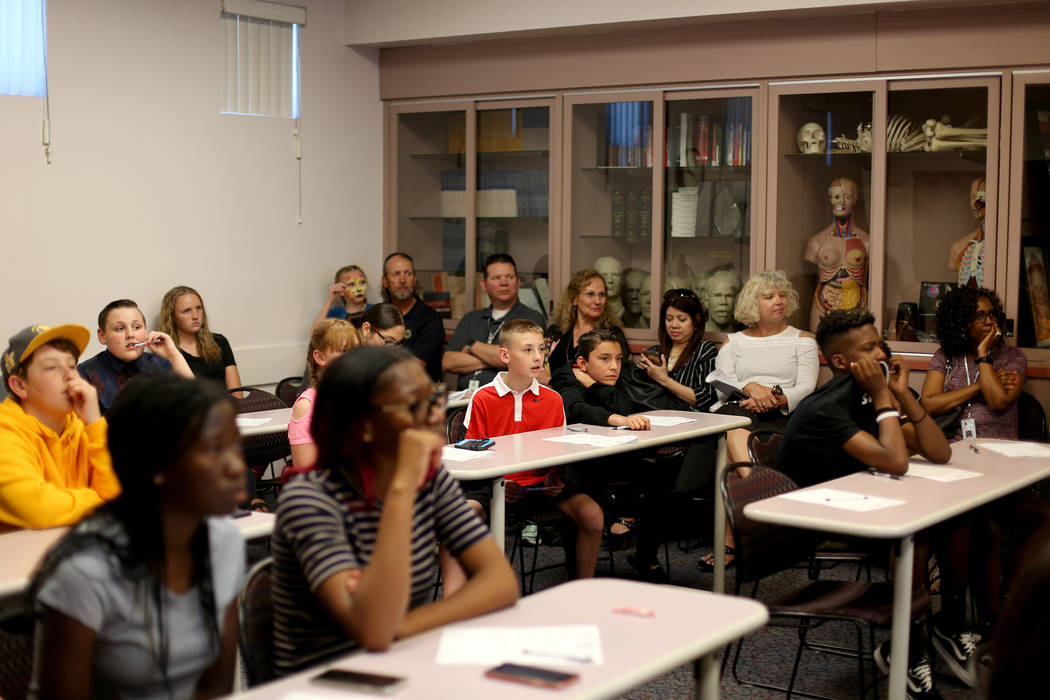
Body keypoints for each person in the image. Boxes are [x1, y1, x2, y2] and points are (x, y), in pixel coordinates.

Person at [271, 347, 517, 675]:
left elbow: (500, 582)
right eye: (414, 405)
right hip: (325, 680)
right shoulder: (311, 498)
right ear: (365, 425)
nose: (434, 416)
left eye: (434, 397)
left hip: (401, 660)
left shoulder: (429, 479)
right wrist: (401, 490)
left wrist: (402, 627)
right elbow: (373, 629)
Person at [30, 374, 246, 699]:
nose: (236, 466)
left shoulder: (223, 541)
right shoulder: (86, 570)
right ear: (156, 464)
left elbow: (215, 687)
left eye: (235, 445)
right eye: (215, 449)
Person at [778, 308, 958, 698]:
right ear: (841, 362)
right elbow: (896, 461)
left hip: (857, 507)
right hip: (810, 525)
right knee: (916, 534)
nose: (881, 354)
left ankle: (947, 627)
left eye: (880, 343)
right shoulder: (827, 407)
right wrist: (883, 396)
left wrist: (902, 396)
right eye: (869, 348)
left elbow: (938, 451)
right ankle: (906, 649)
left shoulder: (867, 395)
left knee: (956, 521)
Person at [464, 319, 604, 580]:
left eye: (541, 349)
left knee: (592, 514)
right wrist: (502, 482)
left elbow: (559, 451)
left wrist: (555, 474)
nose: (538, 357)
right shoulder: (483, 397)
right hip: (497, 485)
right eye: (527, 350)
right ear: (505, 355)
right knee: (465, 513)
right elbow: (473, 455)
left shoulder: (553, 399)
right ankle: (478, 589)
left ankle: (585, 588)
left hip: (541, 484)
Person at [701, 270, 818, 569]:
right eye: (769, 297)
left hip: (782, 418)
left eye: (781, 295)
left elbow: (806, 387)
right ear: (754, 305)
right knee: (734, 420)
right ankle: (761, 497)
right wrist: (750, 390)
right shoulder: (733, 343)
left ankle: (730, 541)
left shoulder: (802, 341)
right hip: (740, 410)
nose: (778, 301)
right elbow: (721, 382)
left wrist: (773, 397)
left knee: (729, 446)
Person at [549, 329, 667, 580]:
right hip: (577, 462)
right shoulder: (564, 378)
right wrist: (616, 418)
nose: (614, 366)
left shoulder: (616, 376)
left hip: (614, 459)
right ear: (582, 362)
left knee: (660, 475)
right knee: (578, 484)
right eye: (604, 359)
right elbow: (576, 409)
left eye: (618, 358)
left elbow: (624, 404)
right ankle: (577, 569)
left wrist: (593, 385)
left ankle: (645, 557)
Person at [0, 324, 120, 531]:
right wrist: (105, 500)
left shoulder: (85, 424)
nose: (70, 376)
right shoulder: (5, 435)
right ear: (19, 386)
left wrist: (94, 423)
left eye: (72, 366)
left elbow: (124, 489)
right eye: (51, 367)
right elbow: (40, 511)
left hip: (75, 547)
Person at [921, 286, 1025, 441]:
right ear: (963, 323)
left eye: (992, 314)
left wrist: (983, 352)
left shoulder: (1013, 356)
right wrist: (979, 387)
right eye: (980, 316)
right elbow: (929, 404)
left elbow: (998, 402)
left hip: (998, 449)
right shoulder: (945, 356)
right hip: (951, 448)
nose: (989, 321)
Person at [443, 253, 545, 390]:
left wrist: (472, 346)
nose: (504, 283)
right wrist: (494, 360)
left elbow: (519, 360)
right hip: (463, 403)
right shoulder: (470, 319)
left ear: (518, 282)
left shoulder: (530, 319)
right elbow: (448, 362)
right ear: (484, 285)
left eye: (510, 277)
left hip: (506, 402)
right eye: (496, 278)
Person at [78, 299, 193, 414]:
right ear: (102, 336)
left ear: (146, 330)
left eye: (137, 327)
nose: (130, 335)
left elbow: (196, 405)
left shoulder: (162, 365)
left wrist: (173, 355)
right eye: (120, 328)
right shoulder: (85, 374)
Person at [288, 319, 360, 469]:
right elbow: (305, 472)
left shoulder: (356, 398)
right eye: (344, 351)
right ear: (320, 357)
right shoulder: (307, 406)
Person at [804, 177, 870, 332]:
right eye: (837, 197)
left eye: (847, 197)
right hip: (824, 302)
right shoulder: (817, 242)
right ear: (830, 199)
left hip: (858, 302)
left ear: (855, 199)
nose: (842, 203)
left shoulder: (867, 241)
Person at [637, 288, 719, 411]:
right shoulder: (655, 351)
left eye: (682, 319)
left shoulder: (704, 349)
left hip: (692, 421)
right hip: (653, 416)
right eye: (669, 319)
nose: (674, 325)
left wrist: (665, 380)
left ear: (696, 320)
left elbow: (705, 398)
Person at [157, 285, 243, 390]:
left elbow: (237, 393)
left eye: (198, 308)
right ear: (172, 316)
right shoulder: (167, 352)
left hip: (228, 405)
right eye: (187, 311)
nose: (195, 316)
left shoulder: (220, 342)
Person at [547, 268, 629, 375]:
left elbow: (618, 377)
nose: (597, 301)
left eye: (602, 295)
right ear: (574, 299)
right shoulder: (556, 332)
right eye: (590, 294)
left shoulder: (613, 335)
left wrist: (551, 382)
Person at [381, 252, 444, 381]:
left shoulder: (430, 319)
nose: (403, 280)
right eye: (396, 274)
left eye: (408, 273)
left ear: (415, 280)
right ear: (385, 281)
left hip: (418, 392)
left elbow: (412, 368)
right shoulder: (378, 314)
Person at [700, 269, 742, 333]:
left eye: (729, 296)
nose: (723, 302)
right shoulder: (695, 334)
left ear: (736, 301)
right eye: (717, 295)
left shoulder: (745, 335)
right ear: (706, 300)